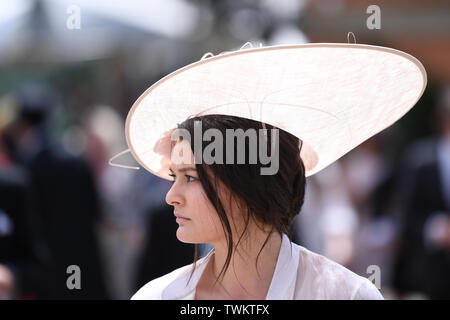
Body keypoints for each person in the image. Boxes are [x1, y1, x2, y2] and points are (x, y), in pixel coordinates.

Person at [110, 42, 426, 299]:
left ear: (245, 182)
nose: (171, 196)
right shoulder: (158, 296)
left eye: (190, 177)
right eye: (174, 176)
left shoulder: (346, 295)